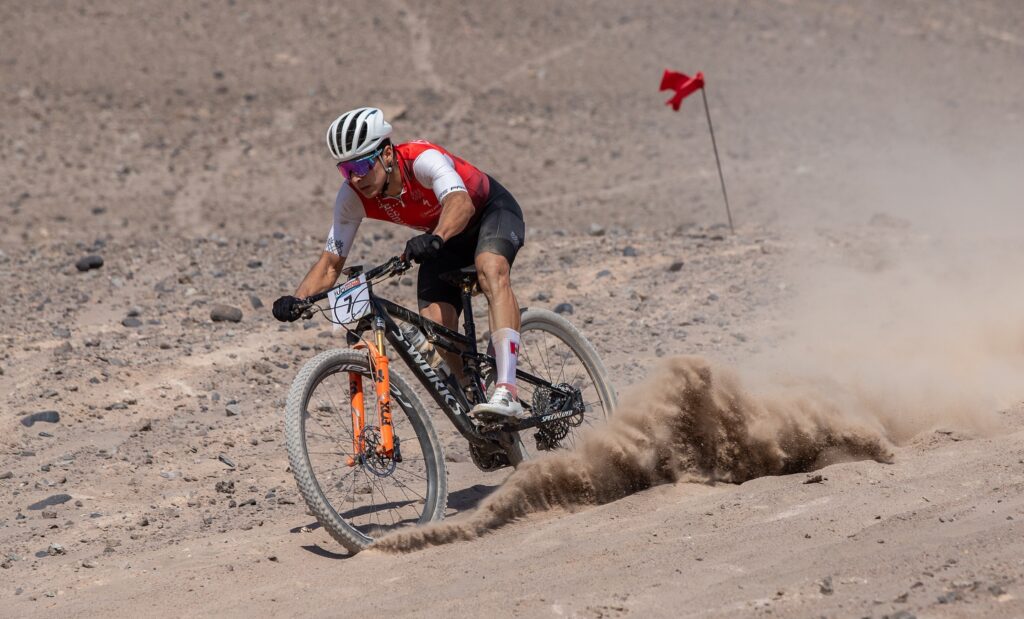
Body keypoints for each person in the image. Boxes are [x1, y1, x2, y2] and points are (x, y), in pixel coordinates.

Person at [272, 107, 527, 420]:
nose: (356, 177)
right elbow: (329, 264)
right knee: (434, 326)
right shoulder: (352, 196)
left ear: (388, 154)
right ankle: (475, 397)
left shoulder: (421, 159)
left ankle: (507, 388)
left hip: (488, 213)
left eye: (362, 164)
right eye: (345, 170)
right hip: (441, 238)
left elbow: (459, 203)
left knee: (491, 269)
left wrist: (437, 237)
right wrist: (297, 301)